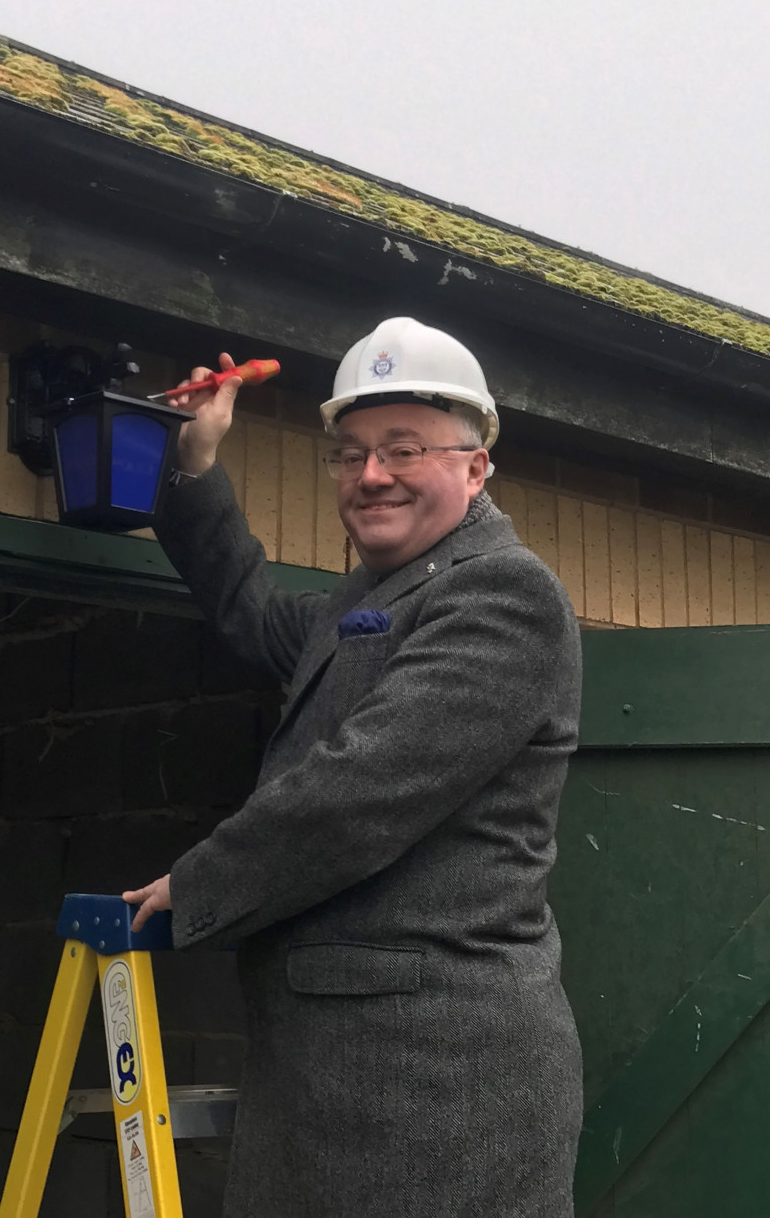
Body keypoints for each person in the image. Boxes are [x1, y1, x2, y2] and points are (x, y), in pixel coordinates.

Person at [123, 316, 584, 1217]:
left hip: (436, 1093)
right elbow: (251, 609)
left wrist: (197, 883)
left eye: (403, 448)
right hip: (329, 1086)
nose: (371, 475)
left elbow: (361, 790)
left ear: (475, 465)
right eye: (350, 453)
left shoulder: (503, 593)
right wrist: (195, 465)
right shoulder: (363, 603)